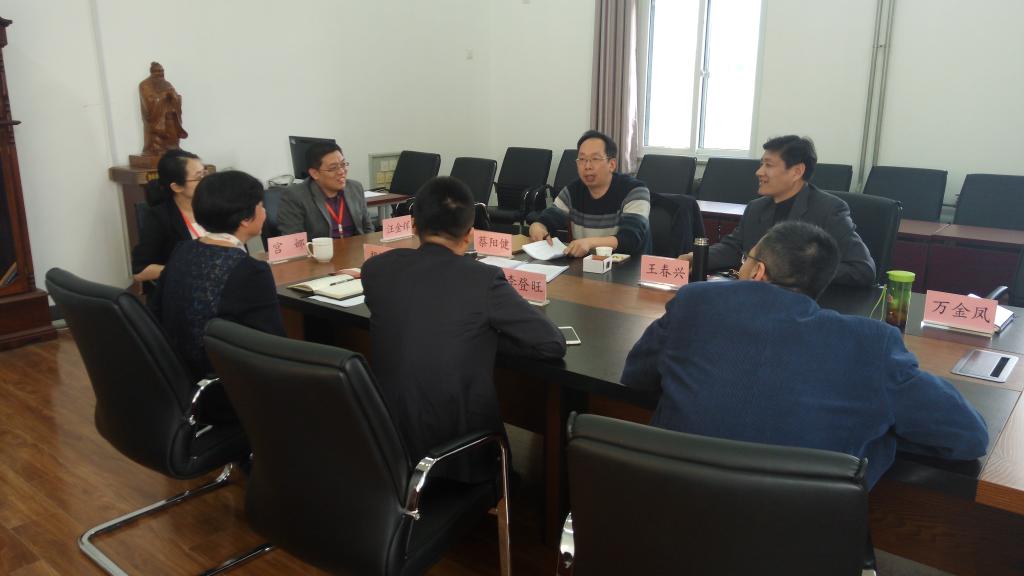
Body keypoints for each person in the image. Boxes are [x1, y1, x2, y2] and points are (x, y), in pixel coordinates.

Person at [622, 221, 988, 489]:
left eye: (745, 260)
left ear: (758, 271)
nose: (739, 268)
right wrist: (881, 435)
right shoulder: (869, 344)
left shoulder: (695, 302)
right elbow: (968, 436)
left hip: (672, 517)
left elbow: (636, 376)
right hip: (797, 544)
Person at [363, 176, 567, 483]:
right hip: (459, 460)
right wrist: (484, 335)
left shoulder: (376, 270)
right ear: (470, 234)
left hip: (387, 446)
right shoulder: (482, 279)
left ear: (413, 226)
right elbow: (552, 343)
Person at [681, 135, 875, 286]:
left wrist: (794, 273)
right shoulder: (756, 207)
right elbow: (733, 248)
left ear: (797, 171)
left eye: (769, 165)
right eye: (761, 164)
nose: (759, 172)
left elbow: (862, 269)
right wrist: (697, 258)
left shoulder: (828, 210)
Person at [149, 171, 284, 381]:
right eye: (261, 205)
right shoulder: (251, 271)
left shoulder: (182, 250)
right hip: (227, 382)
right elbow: (274, 346)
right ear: (245, 219)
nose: (265, 211)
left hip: (175, 375)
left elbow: (156, 313)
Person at [529, 130, 650, 257]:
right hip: (586, 264)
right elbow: (550, 217)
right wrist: (538, 226)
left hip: (629, 265)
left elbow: (631, 238)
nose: (587, 166)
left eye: (595, 159)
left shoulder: (634, 191)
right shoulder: (572, 191)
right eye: (582, 159)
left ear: (612, 164)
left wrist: (590, 243)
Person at [131, 148, 207, 291]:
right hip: (184, 291)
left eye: (205, 174)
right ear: (177, 187)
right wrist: (186, 270)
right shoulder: (159, 217)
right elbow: (140, 271)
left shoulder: (216, 206)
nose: (206, 181)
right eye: (199, 177)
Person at [277, 142, 373, 239]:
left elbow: (368, 229)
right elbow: (294, 240)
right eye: (333, 168)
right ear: (315, 173)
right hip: (320, 249)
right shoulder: (295, 196)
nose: (341, 171)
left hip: (356, 247)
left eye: (343, 164)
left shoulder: (355, 188)